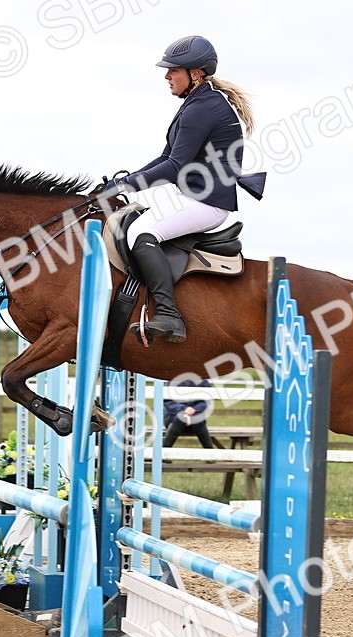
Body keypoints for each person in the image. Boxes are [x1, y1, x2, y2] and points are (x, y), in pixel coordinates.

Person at [99, 35, 261, 344]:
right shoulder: (197, 103)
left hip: (207, 203)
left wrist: (125, 185)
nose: (167, 76)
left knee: (141, 232)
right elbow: (165, 158)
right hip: (192, 196)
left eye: (173, 70)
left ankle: (168, 315)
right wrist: (126, 180)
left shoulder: (203, 108)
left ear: (195, 73)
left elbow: (174, 167)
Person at [162, 379, 215, 448]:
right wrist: (184, 409)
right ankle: (165, 450)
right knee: (180, 418)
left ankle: (210, 451)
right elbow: (168, 402)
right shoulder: (172, 379)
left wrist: (194, 409)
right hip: (173, 419)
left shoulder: (202, 380)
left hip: (196, 419)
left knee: (198, 420)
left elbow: (206, 401)